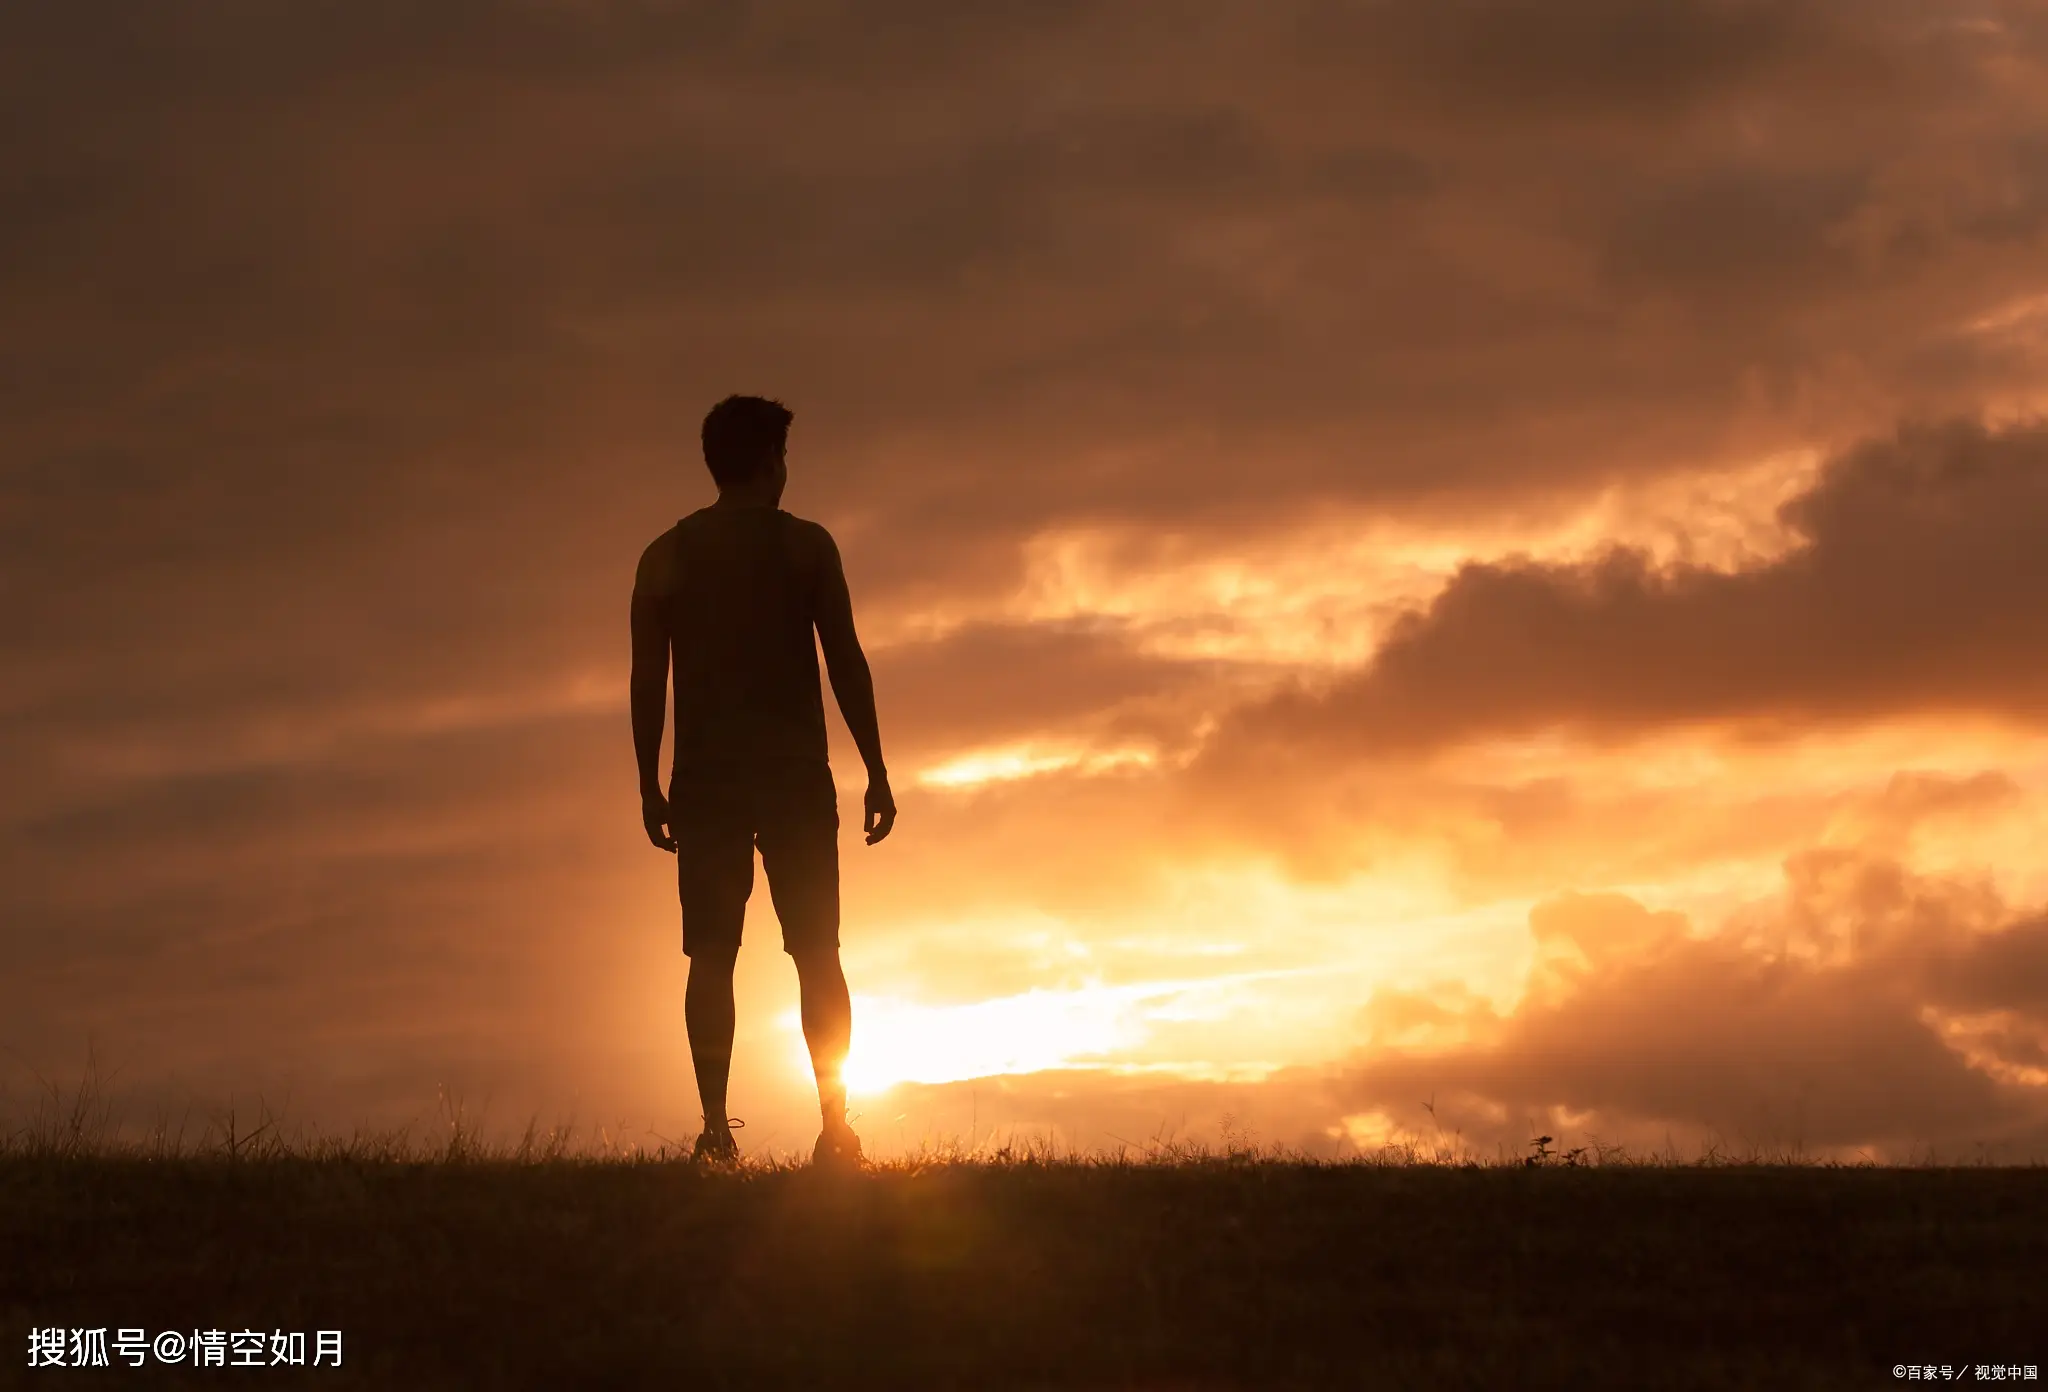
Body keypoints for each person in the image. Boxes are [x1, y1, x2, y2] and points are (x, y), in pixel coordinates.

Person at [629, 394, 895, 1170]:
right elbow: (844, 658)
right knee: (817, 951)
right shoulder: (807, 548)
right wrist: (875, 767)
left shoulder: (664, 556)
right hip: (794, 779)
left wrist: (648, 783)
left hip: (705, 779)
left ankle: (714, 1126)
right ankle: (835, 1125)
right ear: (772, 462)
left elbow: (648, 682)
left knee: (710, 955)